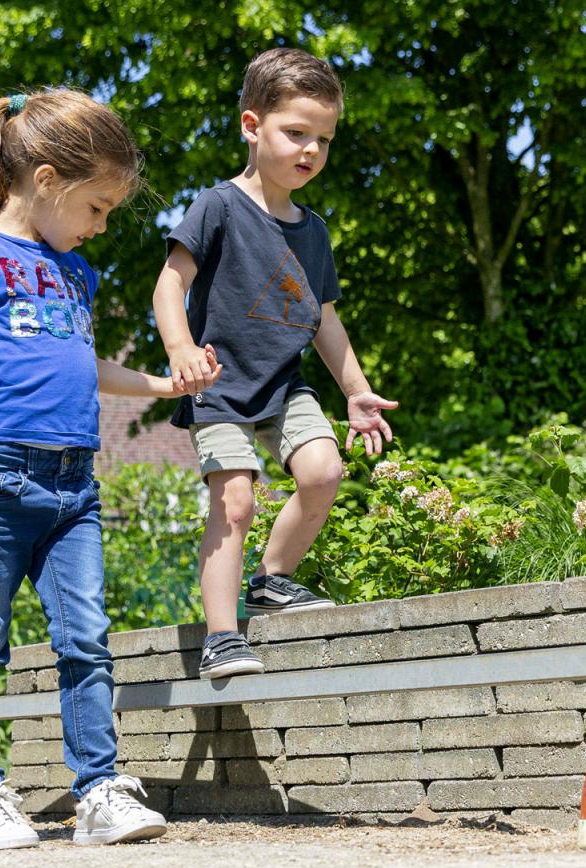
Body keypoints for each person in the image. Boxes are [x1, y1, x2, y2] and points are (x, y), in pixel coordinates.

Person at [0, 88, 219, 849]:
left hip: (73, 486)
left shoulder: (76, 273)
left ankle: (97, 791)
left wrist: (163, 385)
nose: (101, 225)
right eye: (97, 207)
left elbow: (86, 364)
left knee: (86, 638)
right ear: (47, 180)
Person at [153, 48, 397, 679]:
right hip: (218, 382)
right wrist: (180, 349)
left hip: (284, 382)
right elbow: (169, 283)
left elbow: (325, 320)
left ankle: (272, 578)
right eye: (296, 133)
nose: (311, 150)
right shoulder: (218, 206)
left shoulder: (313, 231)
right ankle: (222, 636)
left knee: (323, 471)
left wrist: (356, 390)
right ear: (252, 126)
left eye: (324, 139)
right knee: (235, 500)